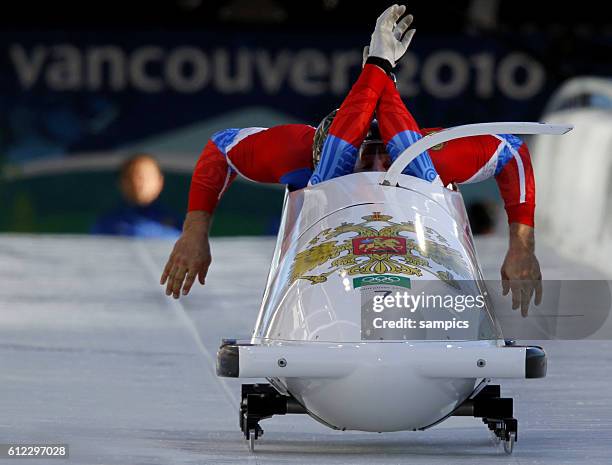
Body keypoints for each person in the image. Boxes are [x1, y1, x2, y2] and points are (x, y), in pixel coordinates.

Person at [160, 5, 541, 316]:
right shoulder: (299, 150)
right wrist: (194, 232)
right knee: (359, 169)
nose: (370, 173)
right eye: (360, 161)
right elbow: (222, 148)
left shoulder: (429, 154)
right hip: (333, 229)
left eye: (379, 160)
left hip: (415, 223)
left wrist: (522, 246)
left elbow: (510, 150)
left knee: (409, 166)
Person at [92, 154, 182, 238]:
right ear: (121, 182)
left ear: (160, 181)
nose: (138, 183)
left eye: (146, 177)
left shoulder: (182, 224)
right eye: (131, 176)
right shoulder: (106, 222)